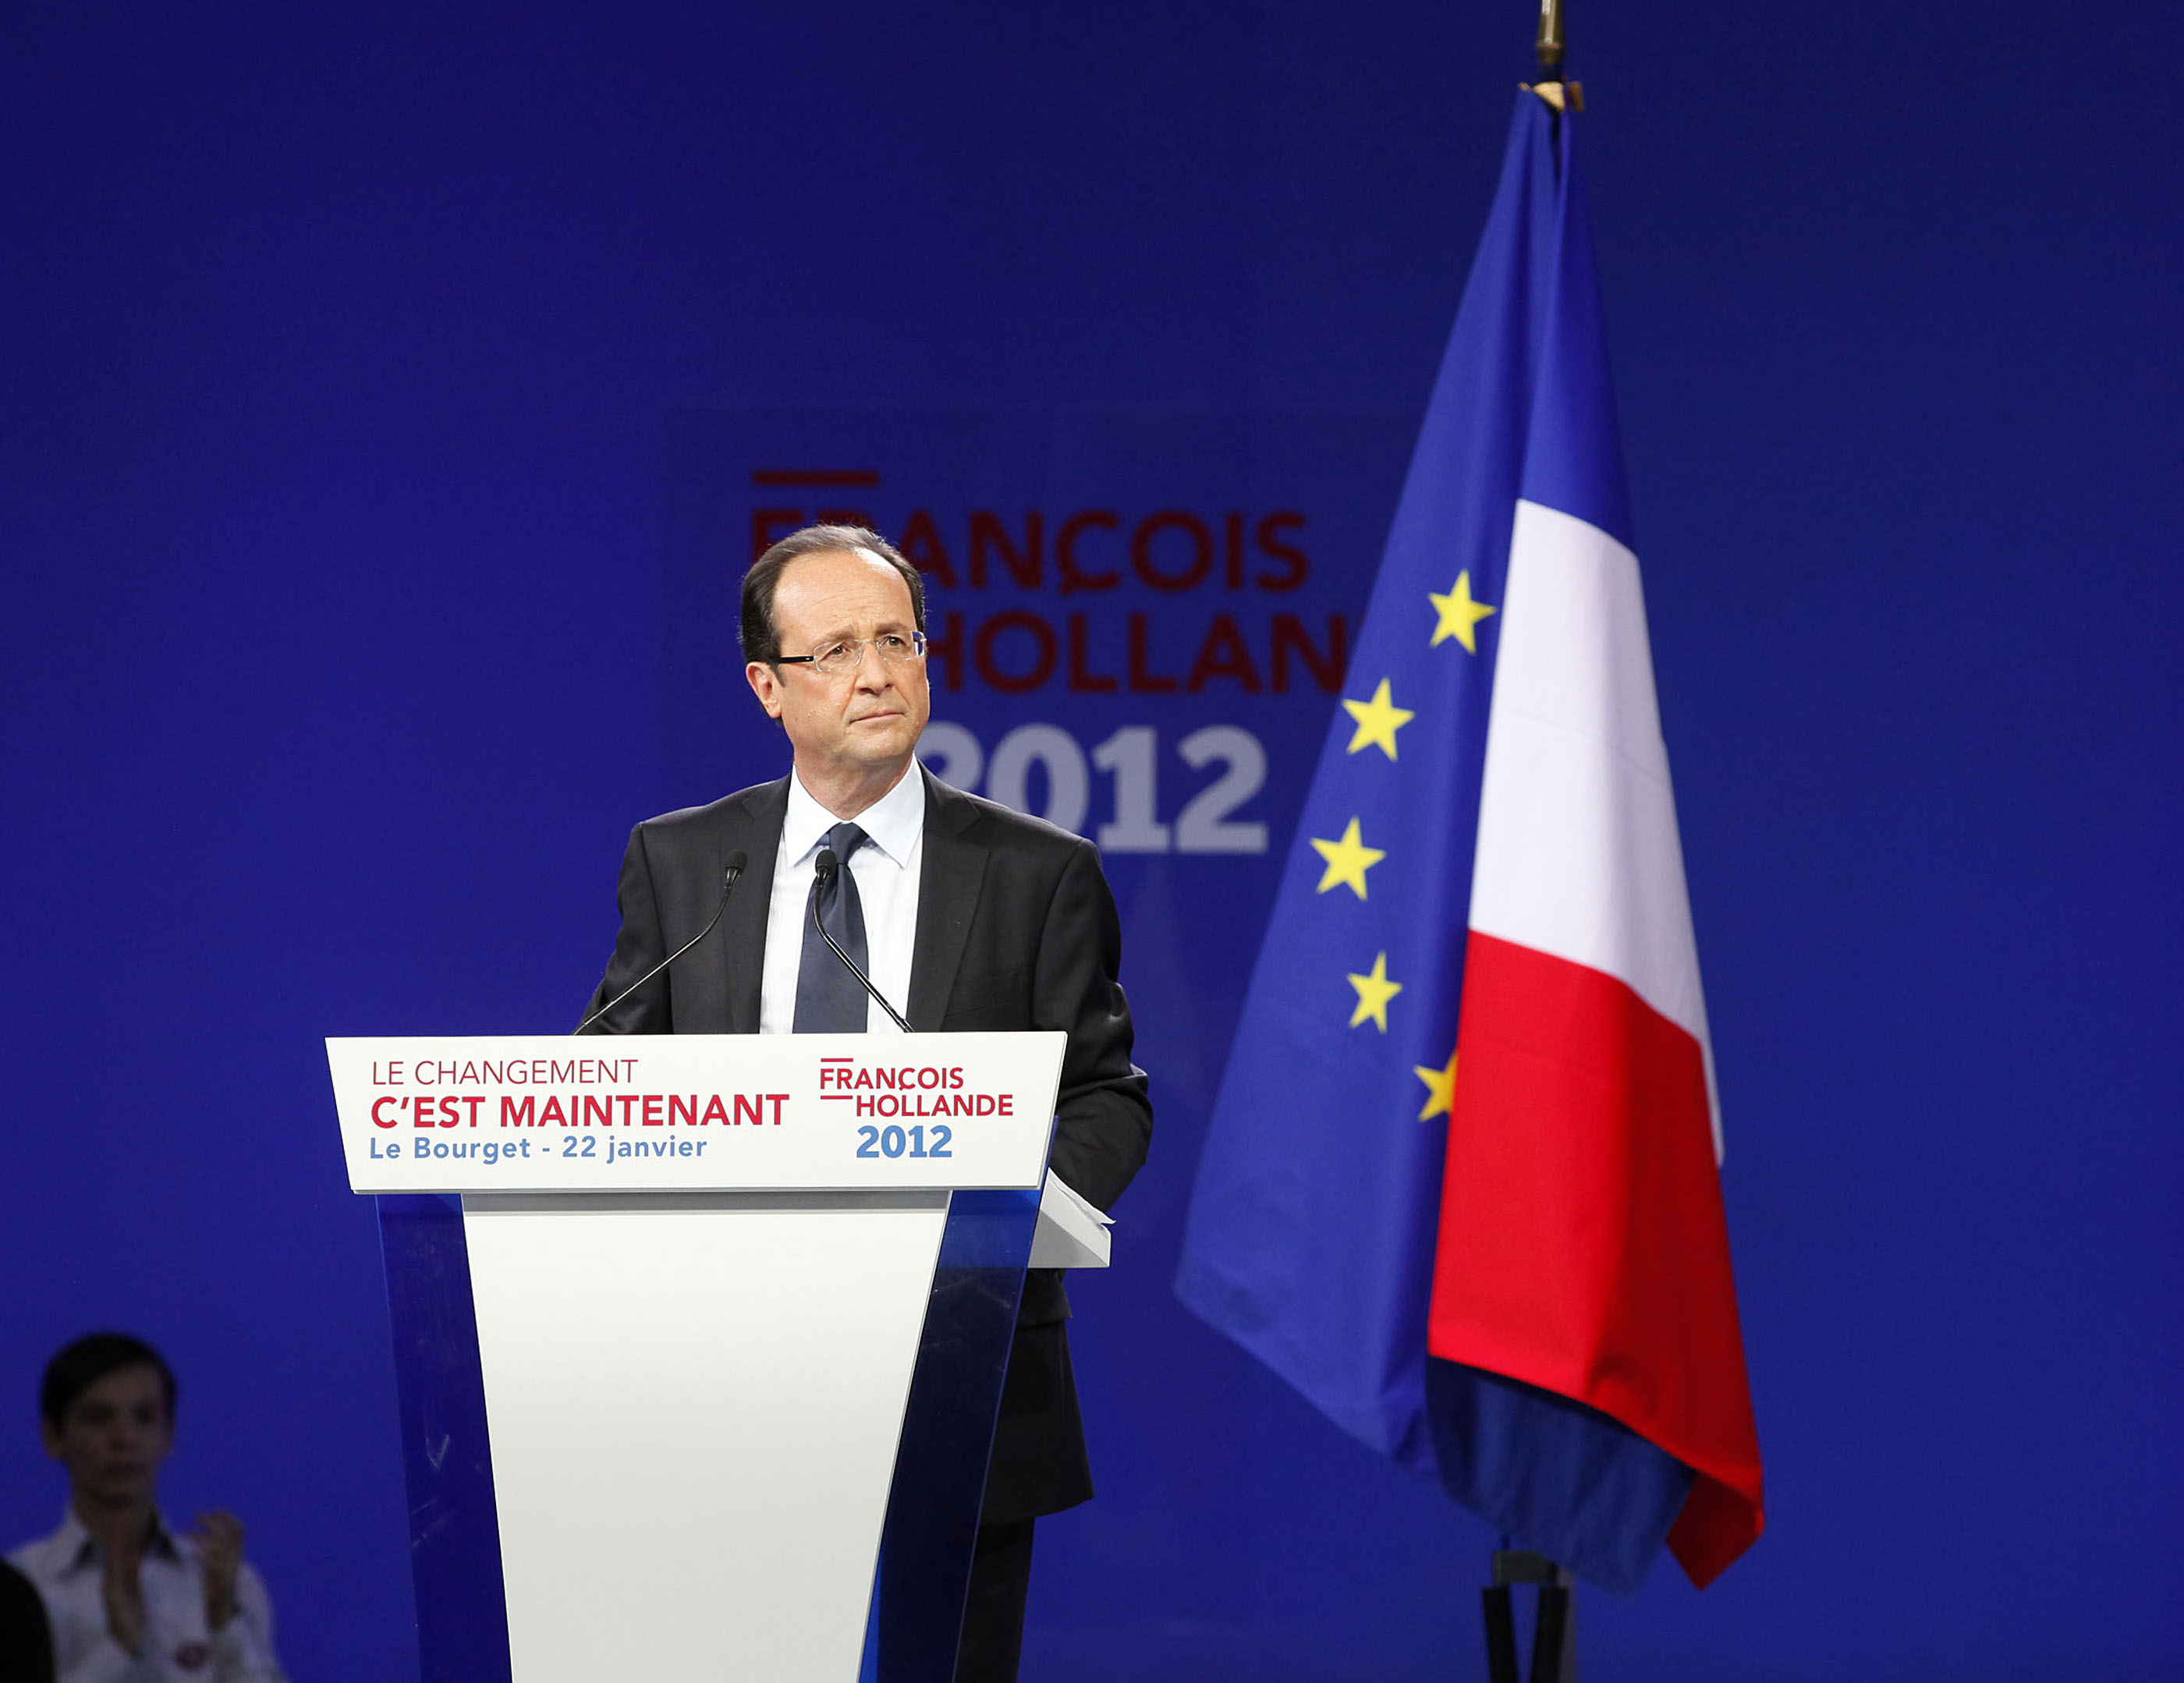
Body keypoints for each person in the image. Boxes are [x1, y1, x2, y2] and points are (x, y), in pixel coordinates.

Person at [581, 524, 1153, 1681]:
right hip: (729, 1374)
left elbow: (1106, 1098)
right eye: (836, 649)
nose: (878, 672)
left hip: (963, 1364)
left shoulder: (1037, 871)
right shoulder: (685, 863)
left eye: (898, 640)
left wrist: (1007, 1224)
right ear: (768, 687)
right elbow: (610, 1085)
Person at [9, 1334, 285, 1683]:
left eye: (144, 1417)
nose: (124, 1438)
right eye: (99, 1418)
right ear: (54, 1437)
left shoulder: (229, 1584)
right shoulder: (20, 1587)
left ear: (169, 1434)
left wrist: (224, 1623)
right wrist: (118, 1651)